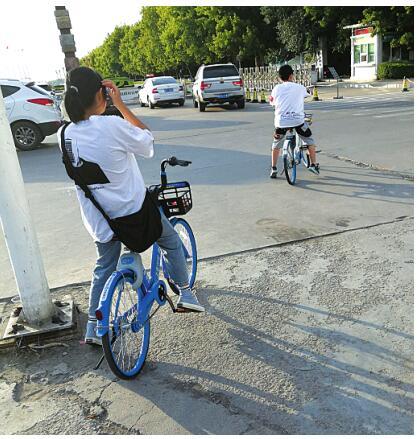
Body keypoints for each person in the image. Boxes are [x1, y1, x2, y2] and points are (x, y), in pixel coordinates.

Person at [58, 67, 204, 345]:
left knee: (103, 267)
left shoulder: (64, 135)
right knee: (171, 241)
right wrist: (121, 105)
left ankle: (92, 327)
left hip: (100, 221)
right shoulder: (112, 125)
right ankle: (185, 292)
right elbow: (147, 142)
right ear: (101, 94)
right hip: (134, 214)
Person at [269, 64, 320, 178]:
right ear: (291, 76)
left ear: (280, 77)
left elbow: (272, 102)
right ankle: (313, 164)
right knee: (309, 140)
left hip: (281, 122)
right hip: (298, 121)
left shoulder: (276, 89)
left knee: (276, 144)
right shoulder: (299, 87)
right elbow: (309, 94)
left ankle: (273, 168)